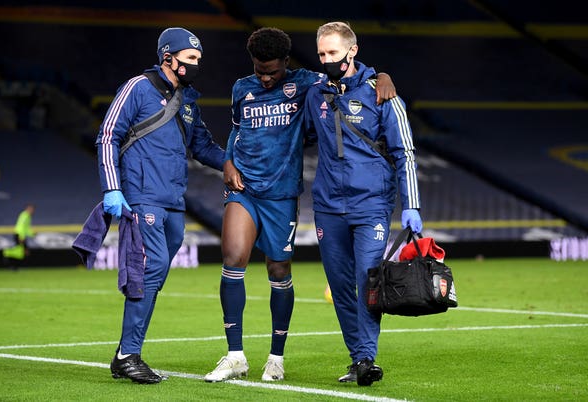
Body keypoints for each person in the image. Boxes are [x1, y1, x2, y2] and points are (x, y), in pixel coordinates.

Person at [204, 27, 396, 383]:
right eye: (259, 70)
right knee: (232, 259)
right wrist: (228, 162)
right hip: (245, 186)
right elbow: (236, 129)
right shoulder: (241, 88)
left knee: (278, 271)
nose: (265, 78)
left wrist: (383, 76)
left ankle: (276, 358)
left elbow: (349, 78)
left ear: (286, 64)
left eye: (272, 71)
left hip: (282, 192)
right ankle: (234, 355)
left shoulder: (308, 82)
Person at [97, 27, 225, 384]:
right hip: (142, 197)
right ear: (168, 57)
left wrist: (237, 164)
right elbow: (108, 135)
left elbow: (203, 147)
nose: (197, 65)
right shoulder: (137, 87)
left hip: (174, 202)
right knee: (149, 272)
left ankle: (126, 352)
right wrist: (113, 188)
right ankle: (128, 355)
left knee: (155, 278)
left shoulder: (187, 101)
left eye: (198, 59)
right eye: (191, 58)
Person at [303, 21, 423, 386]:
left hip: (371, 204)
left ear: (352, 51)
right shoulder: (314, 93)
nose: (326, 60)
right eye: (321, 54)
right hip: (327, 205)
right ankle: (358, 358)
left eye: (333, 53)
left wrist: (411, 205)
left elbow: (405, 152)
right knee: (340, 287)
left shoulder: (383, 96)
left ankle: (367, 357)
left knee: (368, 281)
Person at [2, 203, 35, 270]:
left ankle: (15, 266)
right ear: (27, 209)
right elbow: (21, 227)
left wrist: (32, 234)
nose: (32, 211)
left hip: (20, 235)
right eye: (30, 209)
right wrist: (21, 237)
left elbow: (26, 228)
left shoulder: (28, 216)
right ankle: (8, 253)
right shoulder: (24, 215)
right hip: (19, 235)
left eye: (33, 210)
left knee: (23, 252)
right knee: (21, 252)